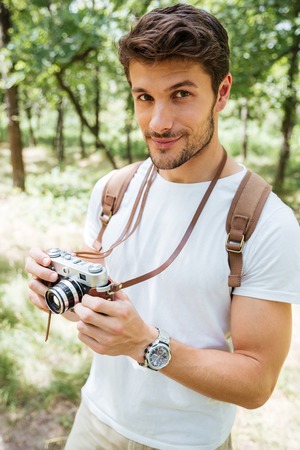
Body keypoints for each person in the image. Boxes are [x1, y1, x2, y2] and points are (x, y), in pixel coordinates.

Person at [25, 4, 300, 450]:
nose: (158, 123)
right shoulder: (112, 190)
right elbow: (101, 305)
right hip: (94, 420)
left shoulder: (266, 222)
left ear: (223, 91)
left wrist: (146, 344)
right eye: (144, 97)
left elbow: (257, 382)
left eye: (181, 94)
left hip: (188, 441)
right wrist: (58, 294)